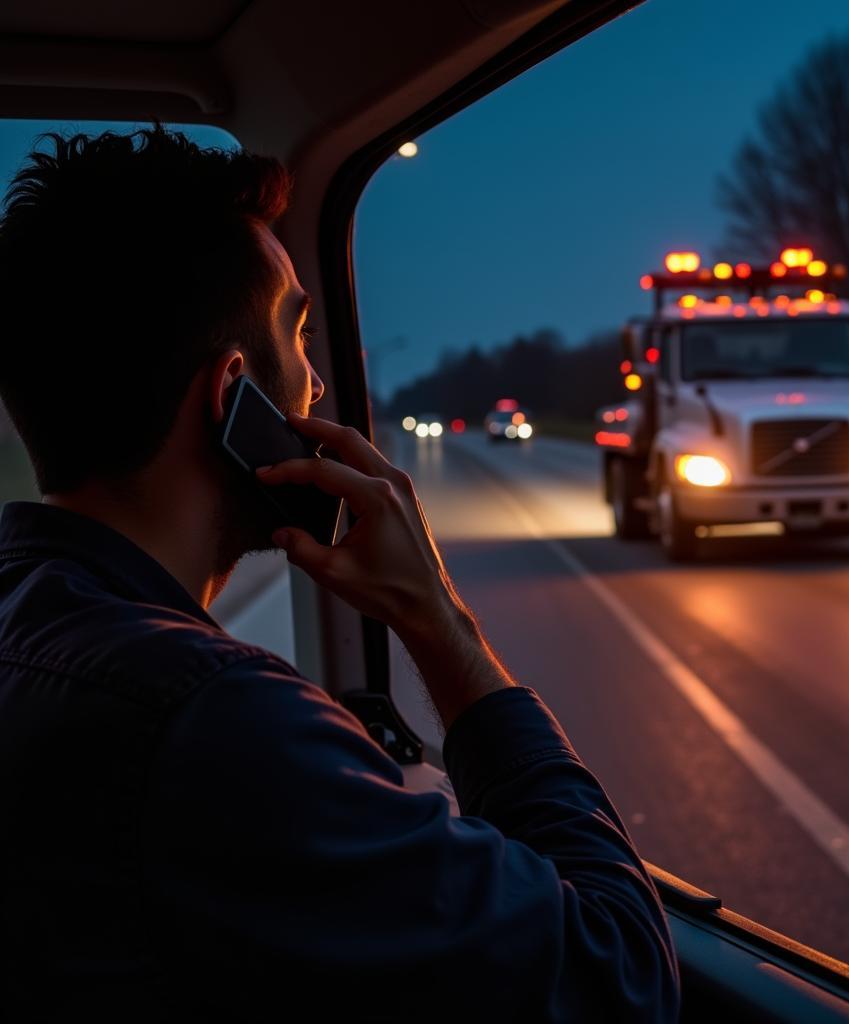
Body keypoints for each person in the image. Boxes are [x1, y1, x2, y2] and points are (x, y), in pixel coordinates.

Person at [0, 127, 680, 1021]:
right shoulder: (216, 722)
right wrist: (439, 621)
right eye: (299, 335)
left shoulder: (30, 622)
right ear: (232, 394)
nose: (316, 385)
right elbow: (620, 979)